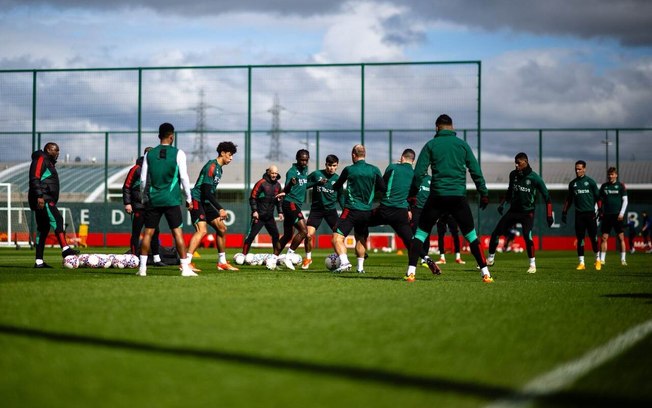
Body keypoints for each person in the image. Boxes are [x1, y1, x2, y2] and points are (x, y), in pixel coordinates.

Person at [405, 114, 492, 283]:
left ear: (437, 128)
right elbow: (475, 170)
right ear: (452, 127)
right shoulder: (462, 145)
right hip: (458, 197)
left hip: (437, 196)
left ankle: (411, 272)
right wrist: (484, 193)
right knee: (472, 236)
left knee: (420, 235)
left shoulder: (431, 145)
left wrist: (413, 194)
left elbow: (418, 174)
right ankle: (486, 273)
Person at [137, 122, 196, 277]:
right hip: (171, 200)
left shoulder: (149, 154)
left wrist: (144, 197)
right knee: (177, 234)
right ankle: (185, 269)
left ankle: (142, 269)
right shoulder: (179, 153)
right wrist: (189, 198)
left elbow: (143, 180)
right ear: (172, 136)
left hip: (154, 199)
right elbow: (183, 177)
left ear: (159, 136)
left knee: (148, 234)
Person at [368, 148, 439, 273]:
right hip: (400, 213)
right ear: (413, 160)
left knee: (361, 220)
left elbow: (382, 186)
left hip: (385, 209)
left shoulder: (392, 167)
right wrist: (409, 209)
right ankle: (426, 258)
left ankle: (360, 259)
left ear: (401, 157)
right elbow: (413, 195)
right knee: (411, 240)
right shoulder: (415, 175)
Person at [486, 153, 553, 274]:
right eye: (515, 163)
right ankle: (490, 259)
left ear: (526, 162)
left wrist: (549, 215)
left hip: (527, 213)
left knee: (527, 236)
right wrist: (502, 205)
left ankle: (532, 265)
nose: (516, 165)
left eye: (519, 163)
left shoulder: (535, 178)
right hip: (513, 211)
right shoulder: (513, 174)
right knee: (495, 233)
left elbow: (547, 197)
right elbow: (509, 192)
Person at [331, 144, 386, 273]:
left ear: (353, 155)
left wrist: (334, 186)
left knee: (336, 238)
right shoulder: (374, 170)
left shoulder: (349, 170)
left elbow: (337, 185)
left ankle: (344, 262)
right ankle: (360, 268)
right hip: (367, 211)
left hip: (351, 209)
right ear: (364, 155)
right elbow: (383, 188)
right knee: (360, 238)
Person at [186, 141, 239, 271]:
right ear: (222, 153)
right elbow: (205, 191)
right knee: (202, 230)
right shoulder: (211, 166)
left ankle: (222, 262)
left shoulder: (219, 169)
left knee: (221, 228)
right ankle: (186, 263)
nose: (231, 158)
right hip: (197, 199)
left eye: (232, 156)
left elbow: (208, 193)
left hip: (205, 201)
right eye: (229, 155)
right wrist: (220, 208)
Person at [28, 142, 79, 268]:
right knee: (58, 220)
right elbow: (34, 178)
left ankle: (39, 261)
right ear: (48, 150)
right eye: (56, 150)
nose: (58, 153)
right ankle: (65, 249)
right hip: (44, 198)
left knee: (43, 229)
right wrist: (40, 196)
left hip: (44, 198)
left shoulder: (49, 163)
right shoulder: (41, 159)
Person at [122, 147, 166, 266]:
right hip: (138, 206)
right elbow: (126, 186)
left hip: (152, 206)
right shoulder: (136, 169)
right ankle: (133, 258)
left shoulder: (156, 170)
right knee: (136, 232)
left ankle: (157, 259)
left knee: (155, 232)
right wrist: (127, 203)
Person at [273, 149, 311, 270]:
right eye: (302, 160)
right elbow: (287, 188)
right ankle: (288, 256)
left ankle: (272, 260)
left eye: (306, 160)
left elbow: (304, 185)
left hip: (295, 204)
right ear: (297, 159)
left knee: (288, 235)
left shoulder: (305, 170)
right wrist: (291, 184)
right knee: (304, 231)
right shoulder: (292, 172)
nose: (304, 162)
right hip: (291, 203)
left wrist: (316, 183)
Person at [561, 160, 601, 270]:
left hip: (590, 214)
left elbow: (598, 198)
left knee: (594, 238)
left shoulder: (591, 182)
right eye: (576, 169)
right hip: (579, 215)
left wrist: (601, 210)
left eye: (579, 169)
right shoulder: (573, 184)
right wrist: (564, 212)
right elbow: (569, 200)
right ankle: (581, 263)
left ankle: (597, 260)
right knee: (580, 239)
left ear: (584, 169)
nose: (577, 171)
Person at [302, 154, 340, 269]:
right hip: (316, 210)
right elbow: (303, 185)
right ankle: (308, 258)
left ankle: (342, 260)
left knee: (339, 237)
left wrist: (345, 210)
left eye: (334, 166)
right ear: (325, 165)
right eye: (329, 165)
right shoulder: (317, 174)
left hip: (331, 211)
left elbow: (342, 196)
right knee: (308, 235)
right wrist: (316, 183)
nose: (331, 168)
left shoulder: (338, 179)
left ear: (337, 166)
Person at [241, 165, 284, 256]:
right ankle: (243, 256)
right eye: (272, 173)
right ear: (268, 172)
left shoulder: (278, 185)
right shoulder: (261, 183)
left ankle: (275, 257)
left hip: (269, 217)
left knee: (276, 235)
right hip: (259, 216)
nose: (274, 175)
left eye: (276, 173)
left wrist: (280, 212)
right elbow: (252, 198)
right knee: (251, 236)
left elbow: (279, 200)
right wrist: (255, 211)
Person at [598, 167, 628, 266]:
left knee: (620, 238)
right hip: (606, 215)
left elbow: (625, 200)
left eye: (612, 174)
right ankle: (602, 260)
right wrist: (598, 210)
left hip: (617, 215)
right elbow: (599, 200)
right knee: (604, 238)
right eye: (609, 175)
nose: (610, 176)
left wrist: (622, 213)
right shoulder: (604, 186)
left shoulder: (620, 186)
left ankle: (623, 260)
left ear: (616, 175)